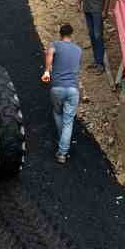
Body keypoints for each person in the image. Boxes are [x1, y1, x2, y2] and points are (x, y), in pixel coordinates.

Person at [42, 22, 83, 165]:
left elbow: (49, 54)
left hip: (57, 88)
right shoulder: (78, 50)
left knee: (58, 114)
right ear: (71, 34)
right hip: (73, 89)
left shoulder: (56, 45)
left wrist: (47, 70)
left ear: (60, 34)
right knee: (68, 121)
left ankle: (62, 146)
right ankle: (63, 151)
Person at [77, 0, 110, 73]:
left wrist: (105, 10)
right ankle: (96, 61)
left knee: (98, 35)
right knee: (92, 35)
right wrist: (78, 1)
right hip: (88, 9)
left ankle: (100, 64)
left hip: (97, 10)